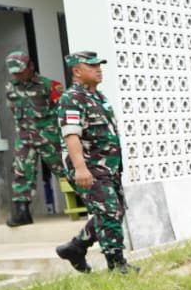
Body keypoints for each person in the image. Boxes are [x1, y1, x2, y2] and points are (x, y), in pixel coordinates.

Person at [55, 50, 139, 274]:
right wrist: (81, 168)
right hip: (90, 167)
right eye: (92, 66)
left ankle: (76, 247)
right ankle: (117, 265)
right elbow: (71, 135)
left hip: (108, 167)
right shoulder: (71, 99)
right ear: (77, 71)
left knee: (115, 211)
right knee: (109, 213)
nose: (98, 69)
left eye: (99, 65)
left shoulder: (99, 97)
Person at [3, 50, 62, 227]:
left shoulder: (49, 85)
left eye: (20, 71)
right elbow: (13, 109)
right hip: (24, 138)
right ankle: (22, 213)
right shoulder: (11, 87)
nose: (17, 75)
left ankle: (90, 204)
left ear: (31, 66)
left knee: (65, 169)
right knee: (21, 172)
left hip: (48, 137)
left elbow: (62, 111)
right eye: (14, 72)